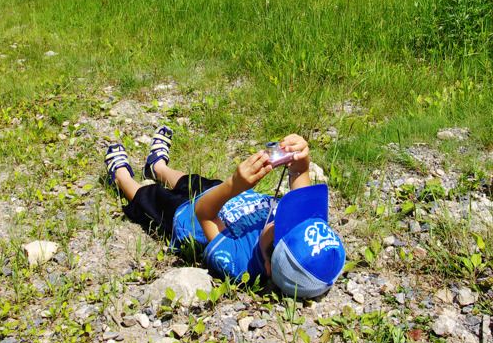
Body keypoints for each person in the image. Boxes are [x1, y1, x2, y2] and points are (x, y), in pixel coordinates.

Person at [105, 127, 345, 299]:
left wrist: (235, 184)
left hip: (189, 218)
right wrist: (301, 159)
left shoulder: (238, 264)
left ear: (271, 267)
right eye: (297, 219)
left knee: (152, 199)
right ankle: (157, 167)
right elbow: (299, 180)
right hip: (228, 196)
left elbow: (204, 213)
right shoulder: (295, 228)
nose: (288, 217)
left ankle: (121, 176)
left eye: (283, 226)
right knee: (191, 181)